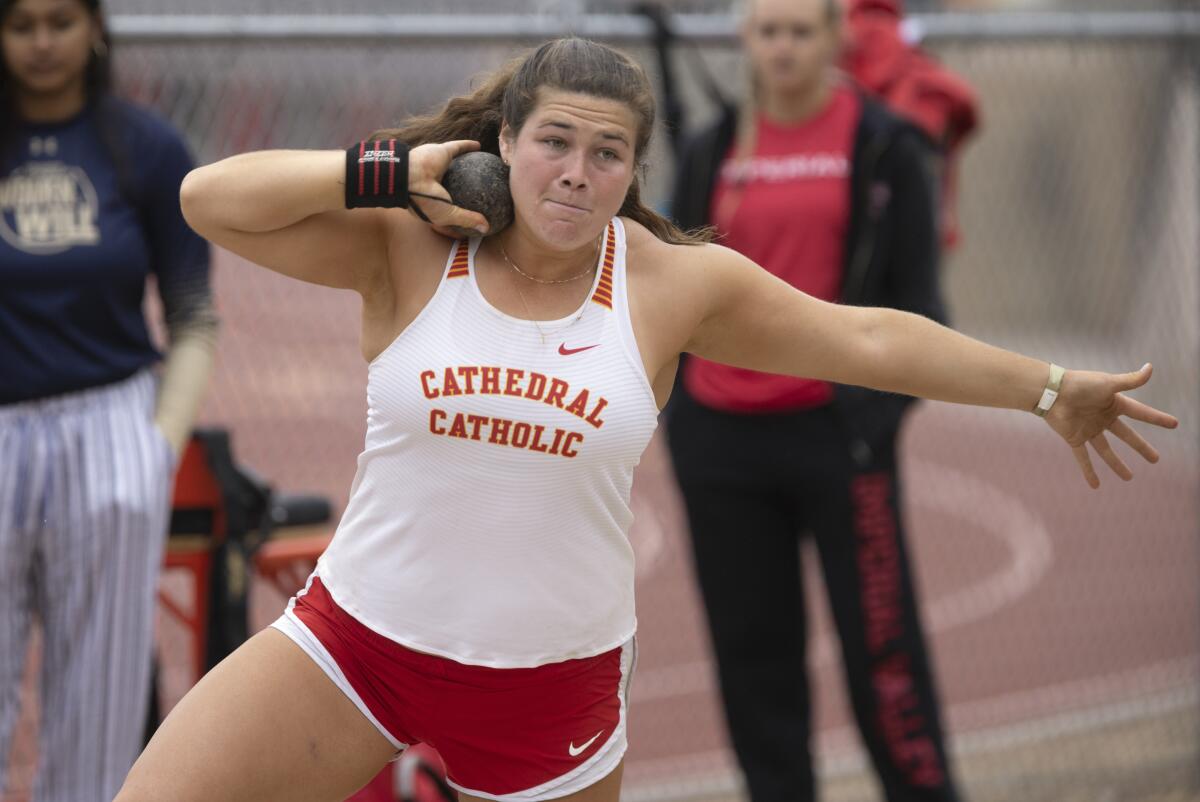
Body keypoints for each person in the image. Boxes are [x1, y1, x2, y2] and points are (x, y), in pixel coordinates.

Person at [117, 36, 1175, 802]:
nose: (577, 174)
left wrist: (1048, 388)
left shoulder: (670, 284)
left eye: (608, 153)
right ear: (503, 144)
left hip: (552, 691)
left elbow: (866, 341)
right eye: (554, 143)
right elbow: (209, 199)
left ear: (635, 170)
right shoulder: (407, 243)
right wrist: (393, 170)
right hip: (359, 645)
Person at [666, 0, 960, 799]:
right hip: (721, 445)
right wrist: (681, 419)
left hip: (839, 442)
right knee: (754, 661)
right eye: (768, 30)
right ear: (745, 39)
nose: (784, 46)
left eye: (802, 29)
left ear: (836, 37)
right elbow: (670, 286)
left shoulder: (885, 146)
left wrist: (870, 420)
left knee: (884, 653)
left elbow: (923, 308)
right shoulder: (712, 148)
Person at [0, 0, 216, 799]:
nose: (43, 41)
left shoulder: (146, 148)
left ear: (94, 27)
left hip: (109, 429)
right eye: (21, 24)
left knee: (96, 714)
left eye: (60, 20)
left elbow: (195, 317)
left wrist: (156, 446)